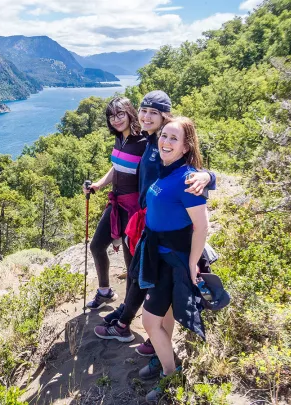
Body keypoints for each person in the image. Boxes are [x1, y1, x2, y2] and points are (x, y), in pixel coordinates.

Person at [94, 91, 216, 346]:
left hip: (157, 222)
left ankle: (131, 324)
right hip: (145, 219)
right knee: (141, 272)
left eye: (154, 113)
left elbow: (184, 168)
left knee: (146, 274)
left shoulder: (161, 144)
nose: (147, 117)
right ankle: (128, 315)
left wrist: (209, 176)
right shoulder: (151, 141)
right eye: (144, 111)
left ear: (164, 117)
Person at [137, 116, 209, 403]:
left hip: (173, 259)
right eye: (163, 136)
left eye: (173, 138)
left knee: (149, 321)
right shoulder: (168, 170)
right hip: (159, 254)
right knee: (164, 317)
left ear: (185, 146)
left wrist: (193, 263)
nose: (165, 142)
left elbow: (202, 226)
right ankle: (163, 358)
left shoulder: (188, 179)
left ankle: (171, 373)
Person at [83, 97, 145, 314]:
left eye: (120, 114)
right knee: (96, 246)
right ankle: (105, 291)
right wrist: (98, 185)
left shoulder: (144, 143)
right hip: (116, 204)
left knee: (131, 262)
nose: (116, 119)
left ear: (130, 113)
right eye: (112, 116)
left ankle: (127, 309)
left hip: (134, 210)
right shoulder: (121, 139)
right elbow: (116, 167)